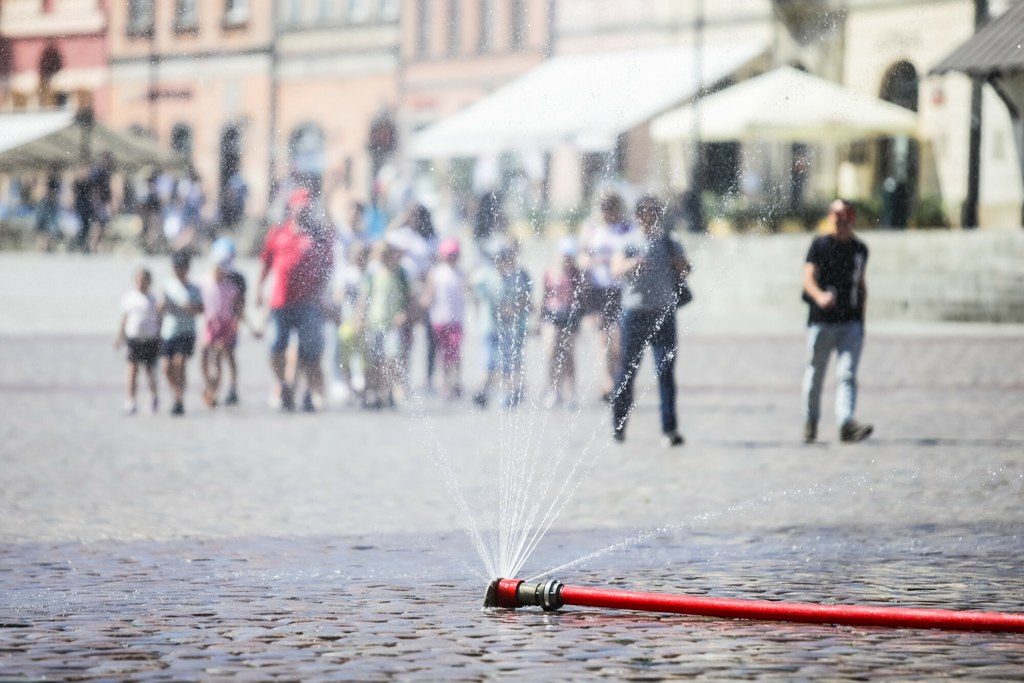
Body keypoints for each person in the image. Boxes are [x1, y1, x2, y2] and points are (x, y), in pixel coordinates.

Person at [610, 194, 689, 447]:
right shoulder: (629, 241)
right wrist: (633, 264)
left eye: (654, 211)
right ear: (638, 214)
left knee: (666, 373)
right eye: (645, 211)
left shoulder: (669, 242)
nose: (650, 216)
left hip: (664, 313)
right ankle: (618, 425)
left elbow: (686, 269)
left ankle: (669, 429)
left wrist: (679, 263)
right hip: (634, 313)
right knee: (627, 371)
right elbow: (615, 269)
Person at [801, 198, 873, 444]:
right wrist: (819, 296)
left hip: (850, 323)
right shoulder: (819, 246)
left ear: (853, 218)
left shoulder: (860, 249)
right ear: (830, 217)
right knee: (815, 375)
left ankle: (846, 423)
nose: (842, 219)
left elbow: (861, 285)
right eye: (837, 214)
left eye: (847, 214)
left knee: (847, 374)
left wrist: (861, 321)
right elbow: (808, 279)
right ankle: (810, 420)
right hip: (822, 322)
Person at [256, 188, 334, 412]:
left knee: (309, 350)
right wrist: (259, 290)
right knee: (275, 347)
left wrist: (321, 292)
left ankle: (309, 392)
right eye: (300, 206)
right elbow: (266, 263)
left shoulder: (318, 235)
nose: (303, 210)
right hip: (280, 301)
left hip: (308, 302)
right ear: (291, 207)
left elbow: (327, 267)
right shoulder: (278, 233)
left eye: (307, 206)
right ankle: (283, 384)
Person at [579, 192, 643, 402]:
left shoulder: (629, 229)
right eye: (604, 208)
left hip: (621, 290)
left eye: (611, 208)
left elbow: (636, 254)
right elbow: (581, 258)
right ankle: (608, 382)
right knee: (602, 339)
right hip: (598, 289)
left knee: (617, 341)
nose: (608, 213)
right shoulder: (591, 228)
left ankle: (618, 378)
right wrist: (591, 262)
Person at [472, 239, 533, 409]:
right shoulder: (486, 274)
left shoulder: (520, 275)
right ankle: (483, 392)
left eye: (505, 257)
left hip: (510, 328)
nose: (502, 261)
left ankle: (509, 393)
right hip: (490, 326)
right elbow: (475, 290)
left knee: (509, 361)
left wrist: (513, 309)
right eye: (498, 258)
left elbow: (527, 298)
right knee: (489, 361)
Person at [200, 237, 254, 408]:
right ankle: (210, 385)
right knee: (207, 354)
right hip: (212, 324)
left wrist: (241, 323)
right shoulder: (206, 280)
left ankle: (229, 387)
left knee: (226, 354)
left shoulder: (237, 280)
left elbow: (240, 305)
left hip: (229, 324)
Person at [358, 238, 411, 409]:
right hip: (375, 323)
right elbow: (365, 297)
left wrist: (404, 313)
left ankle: (389, 391)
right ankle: (376, 392)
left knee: (391, 358)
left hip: (393, 324)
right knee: (376, 360)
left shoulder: (400, 273)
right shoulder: (374, 274)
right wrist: (360, 318)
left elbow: (408, 296)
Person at [541, 236, 587, 409]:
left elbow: (582, 298)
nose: (566, 259)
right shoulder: (549, 272)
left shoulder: (577, 274)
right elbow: (544, 295)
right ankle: (553, 389)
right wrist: (539, 320)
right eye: (564, 255)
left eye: (569, 255)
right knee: (551, 351)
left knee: (568, 355)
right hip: (551, 314)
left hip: (570, 315)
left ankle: (571, 392)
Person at [159, 250, 205, 416]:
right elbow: (160, 307)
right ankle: (175, 391)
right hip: (169, 330)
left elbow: (201, 309)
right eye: (177, 266)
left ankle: (179, 398)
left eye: (182, 266)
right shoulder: (168, 285)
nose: (179, 270)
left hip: (186, 331)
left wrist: (188, 307)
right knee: (166, 367)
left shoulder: (194, 288)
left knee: (179, 362)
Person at [422, 237, 467, 401]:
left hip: (456, 319)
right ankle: (447, 384)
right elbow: (429, 295)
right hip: (439, 319)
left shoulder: (461, 274)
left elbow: (467, 292)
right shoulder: (436, 274)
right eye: (449, 255)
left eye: (454, 255)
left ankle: (456, 382)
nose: (451, 258)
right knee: (445, 354)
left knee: (454, 352)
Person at [115, 268, 161, 415]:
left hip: (150, 339)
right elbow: (124, 319)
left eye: (144, 280)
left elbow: (159, 320)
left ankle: (154, 397)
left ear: (150, 282)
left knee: (150, 371)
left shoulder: (154, 300)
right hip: (134, 339)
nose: (142, 283)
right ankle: (131, 400)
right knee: (132, 370)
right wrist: (120, 337)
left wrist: (160, 337)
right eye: (139, 280)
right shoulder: (130, 298)